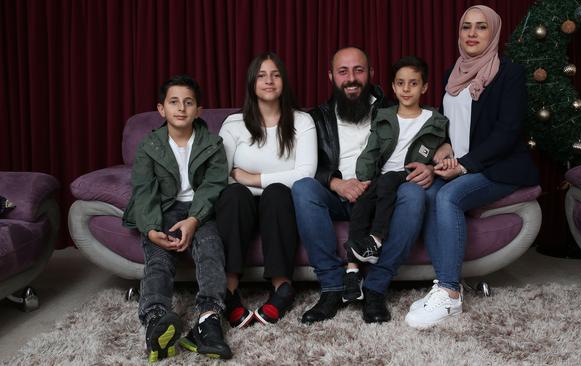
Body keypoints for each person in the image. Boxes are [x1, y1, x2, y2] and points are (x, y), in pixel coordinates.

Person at [404, 5, 539, 329]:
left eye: (481, 27)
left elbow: (507, 133)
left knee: (448, 197)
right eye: (466, 27)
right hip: (459, 163)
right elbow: (449, 124)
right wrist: (443, 147)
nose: (472, 34)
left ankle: (450, 294)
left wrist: (463, 166)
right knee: (425, 191)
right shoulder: (455, 71)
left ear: (493, 33)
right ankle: (445, 283)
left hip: (498, 167)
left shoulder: (509, 73)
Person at [292, 46, 433, 324]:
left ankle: (376, 287)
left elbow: (427, 125)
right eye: (343, 71)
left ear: (371, 73)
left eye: (358, 70)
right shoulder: (316, 118)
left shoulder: (392, 110)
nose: (351, 78)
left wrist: (436, 158)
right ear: (331, 76)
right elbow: (305, 164)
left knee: (414, 196)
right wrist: (336, 183)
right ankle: (333, 287)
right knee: (303, 188)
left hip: (380, 197)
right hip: (337, 195)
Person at [122, 75, 232, 361]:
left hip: (200, 211)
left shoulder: (212, 143)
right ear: (161, 109)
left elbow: (214, 185)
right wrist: (149, 229)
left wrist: (194, 219)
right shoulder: (150, 145)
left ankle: (209, 319)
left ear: (199, 110)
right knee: (158, 260)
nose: (181, 108)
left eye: (188, 102)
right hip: (163, 211)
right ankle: (156, 320)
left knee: (210, 251)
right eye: (174, 102)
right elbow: (144, 190)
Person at [215, 52, 317, 327]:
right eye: (261, 75)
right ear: (252, 83)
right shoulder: (234, 124)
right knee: (234, 194)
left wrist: (250, 177)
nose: (269, 81)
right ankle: (229, 289)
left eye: (275, 74)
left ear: (284, 81)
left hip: (281, 203)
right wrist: (242, 183)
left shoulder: (302, 122)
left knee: (276, 192)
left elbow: (305, 174)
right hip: (241, 202)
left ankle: (282, 287)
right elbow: (219, 175)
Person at [343, 56, 448, 302]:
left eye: (413, 83)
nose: (406, 89)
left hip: (408, 173)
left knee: (390, 180)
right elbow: (371, 150)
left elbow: (443, 146)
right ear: (393, 86)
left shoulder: (436, 121)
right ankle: (352, 270)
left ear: (424, 87)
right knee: (362, 204)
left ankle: (376, 240)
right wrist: (364, 178)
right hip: (383, 177)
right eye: (401, 83)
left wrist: (444, 151)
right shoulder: (384, 116)